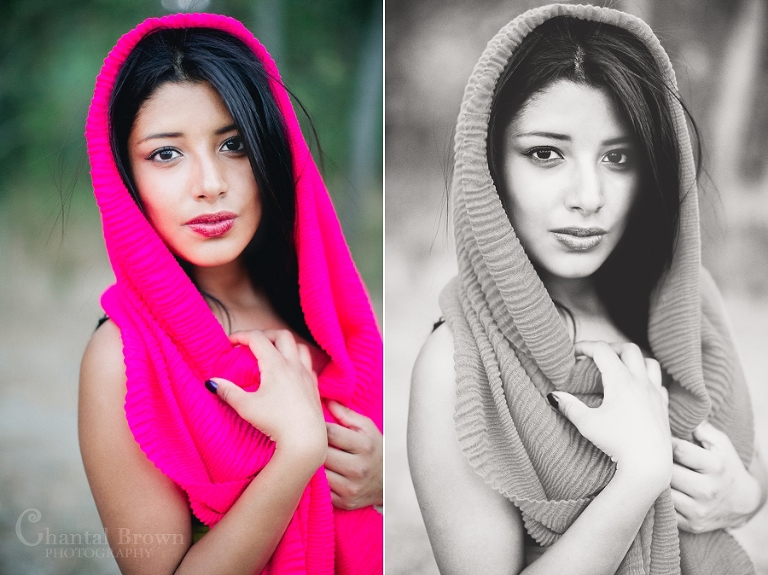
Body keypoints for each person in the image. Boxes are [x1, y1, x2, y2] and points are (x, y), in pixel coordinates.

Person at [408, 4, 767, 575]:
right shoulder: (457, 365)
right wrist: (638, 479)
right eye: (545, 154)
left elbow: (745, 467)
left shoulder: (687, 300)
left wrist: (745, 498)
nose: (588, 195)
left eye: (618, 157)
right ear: (490, 164)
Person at [78, 13, 382, 575]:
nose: (210, 183)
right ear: (123, 176)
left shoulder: (330, 312)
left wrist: (387, 479)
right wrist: (296, 456)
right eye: (166, 154)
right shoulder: (121, 360)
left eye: (234, 144)